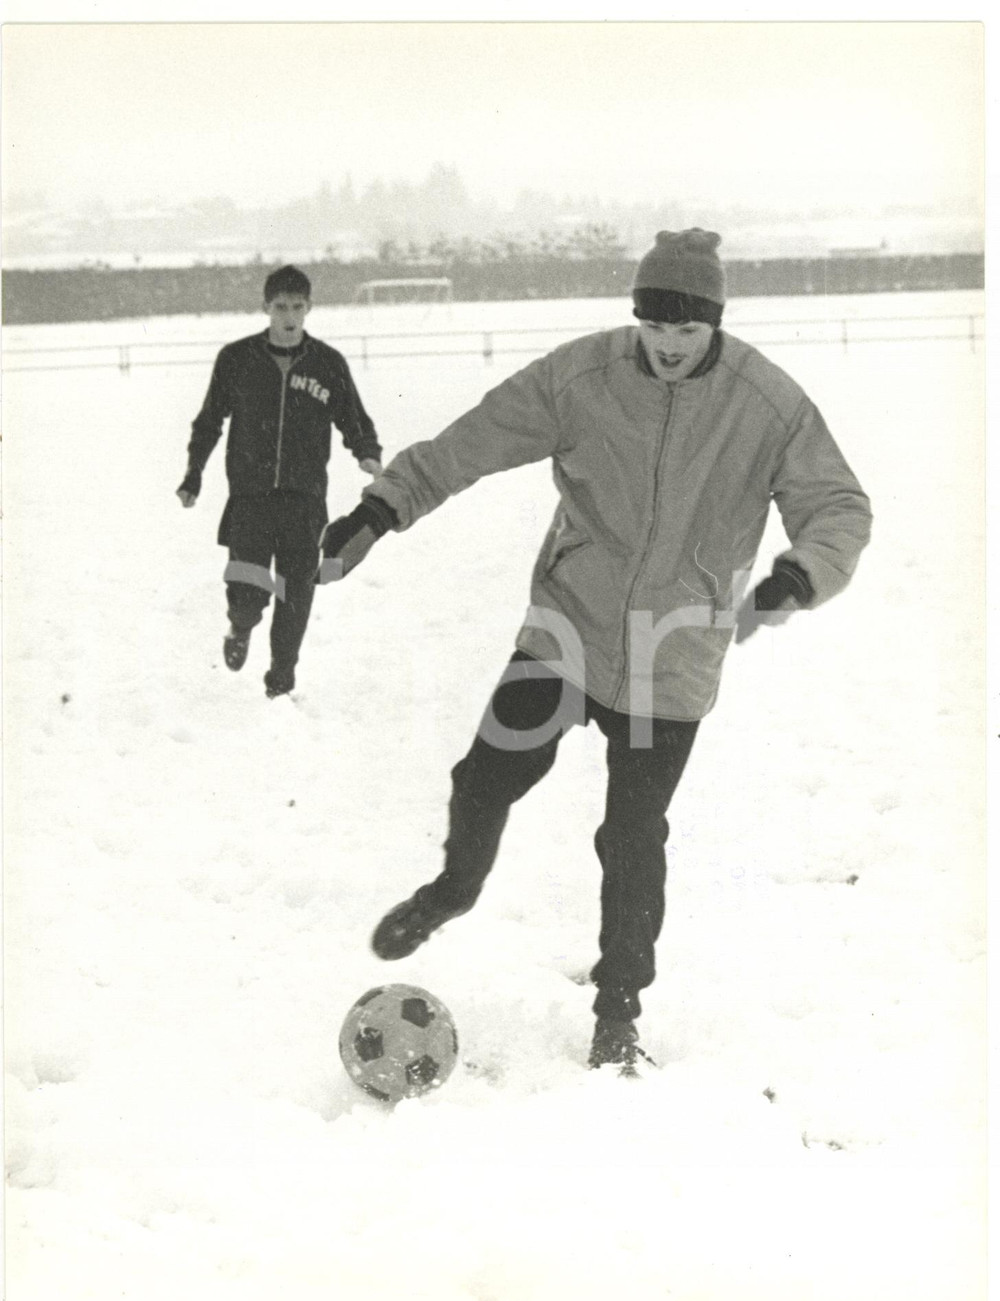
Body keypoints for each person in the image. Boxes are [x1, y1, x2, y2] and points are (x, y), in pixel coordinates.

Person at [319, 229, 872, 1073]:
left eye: (689, 329)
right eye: (656, 323)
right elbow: (471, 442)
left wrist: (801, 573)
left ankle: (618, 1013)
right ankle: (453, 888)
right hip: (568, 634)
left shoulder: (766, 404)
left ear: (715, 324)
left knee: (632, 836)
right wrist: (378, 511)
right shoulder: (583, 377)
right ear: (638, 315)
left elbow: (837, 503)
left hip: (670, 656)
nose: (670, 343)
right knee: (484, 778)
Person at [177, 265, 382, 698]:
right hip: (251, 501)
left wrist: (367, 453)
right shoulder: (236, 359)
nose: (289, 316)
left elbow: (353, 417)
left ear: (309, 308)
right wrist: (194, 473)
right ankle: (240, 626)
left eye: (297, 307)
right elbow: (209, 421)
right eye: (280, 306)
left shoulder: (328, 364)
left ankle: (282, 674)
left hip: (304, 503)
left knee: (296, 595)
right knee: (248, 594)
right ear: (266, 308)